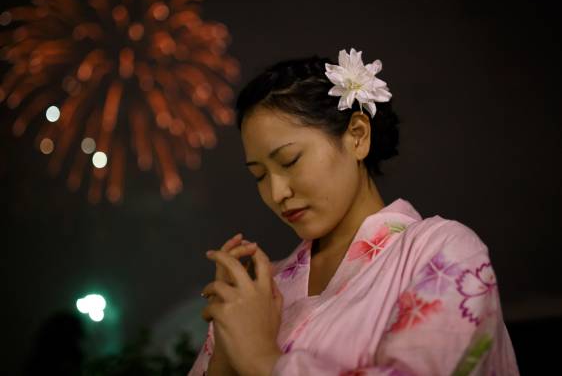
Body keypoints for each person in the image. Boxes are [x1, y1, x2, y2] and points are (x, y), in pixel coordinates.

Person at [187, 49, 520, 375]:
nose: (276, 193)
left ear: (357, 136)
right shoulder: (266, 289)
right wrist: (226, 357)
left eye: (290, 161)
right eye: (259, 175)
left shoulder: (443, 251)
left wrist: (261, 359)